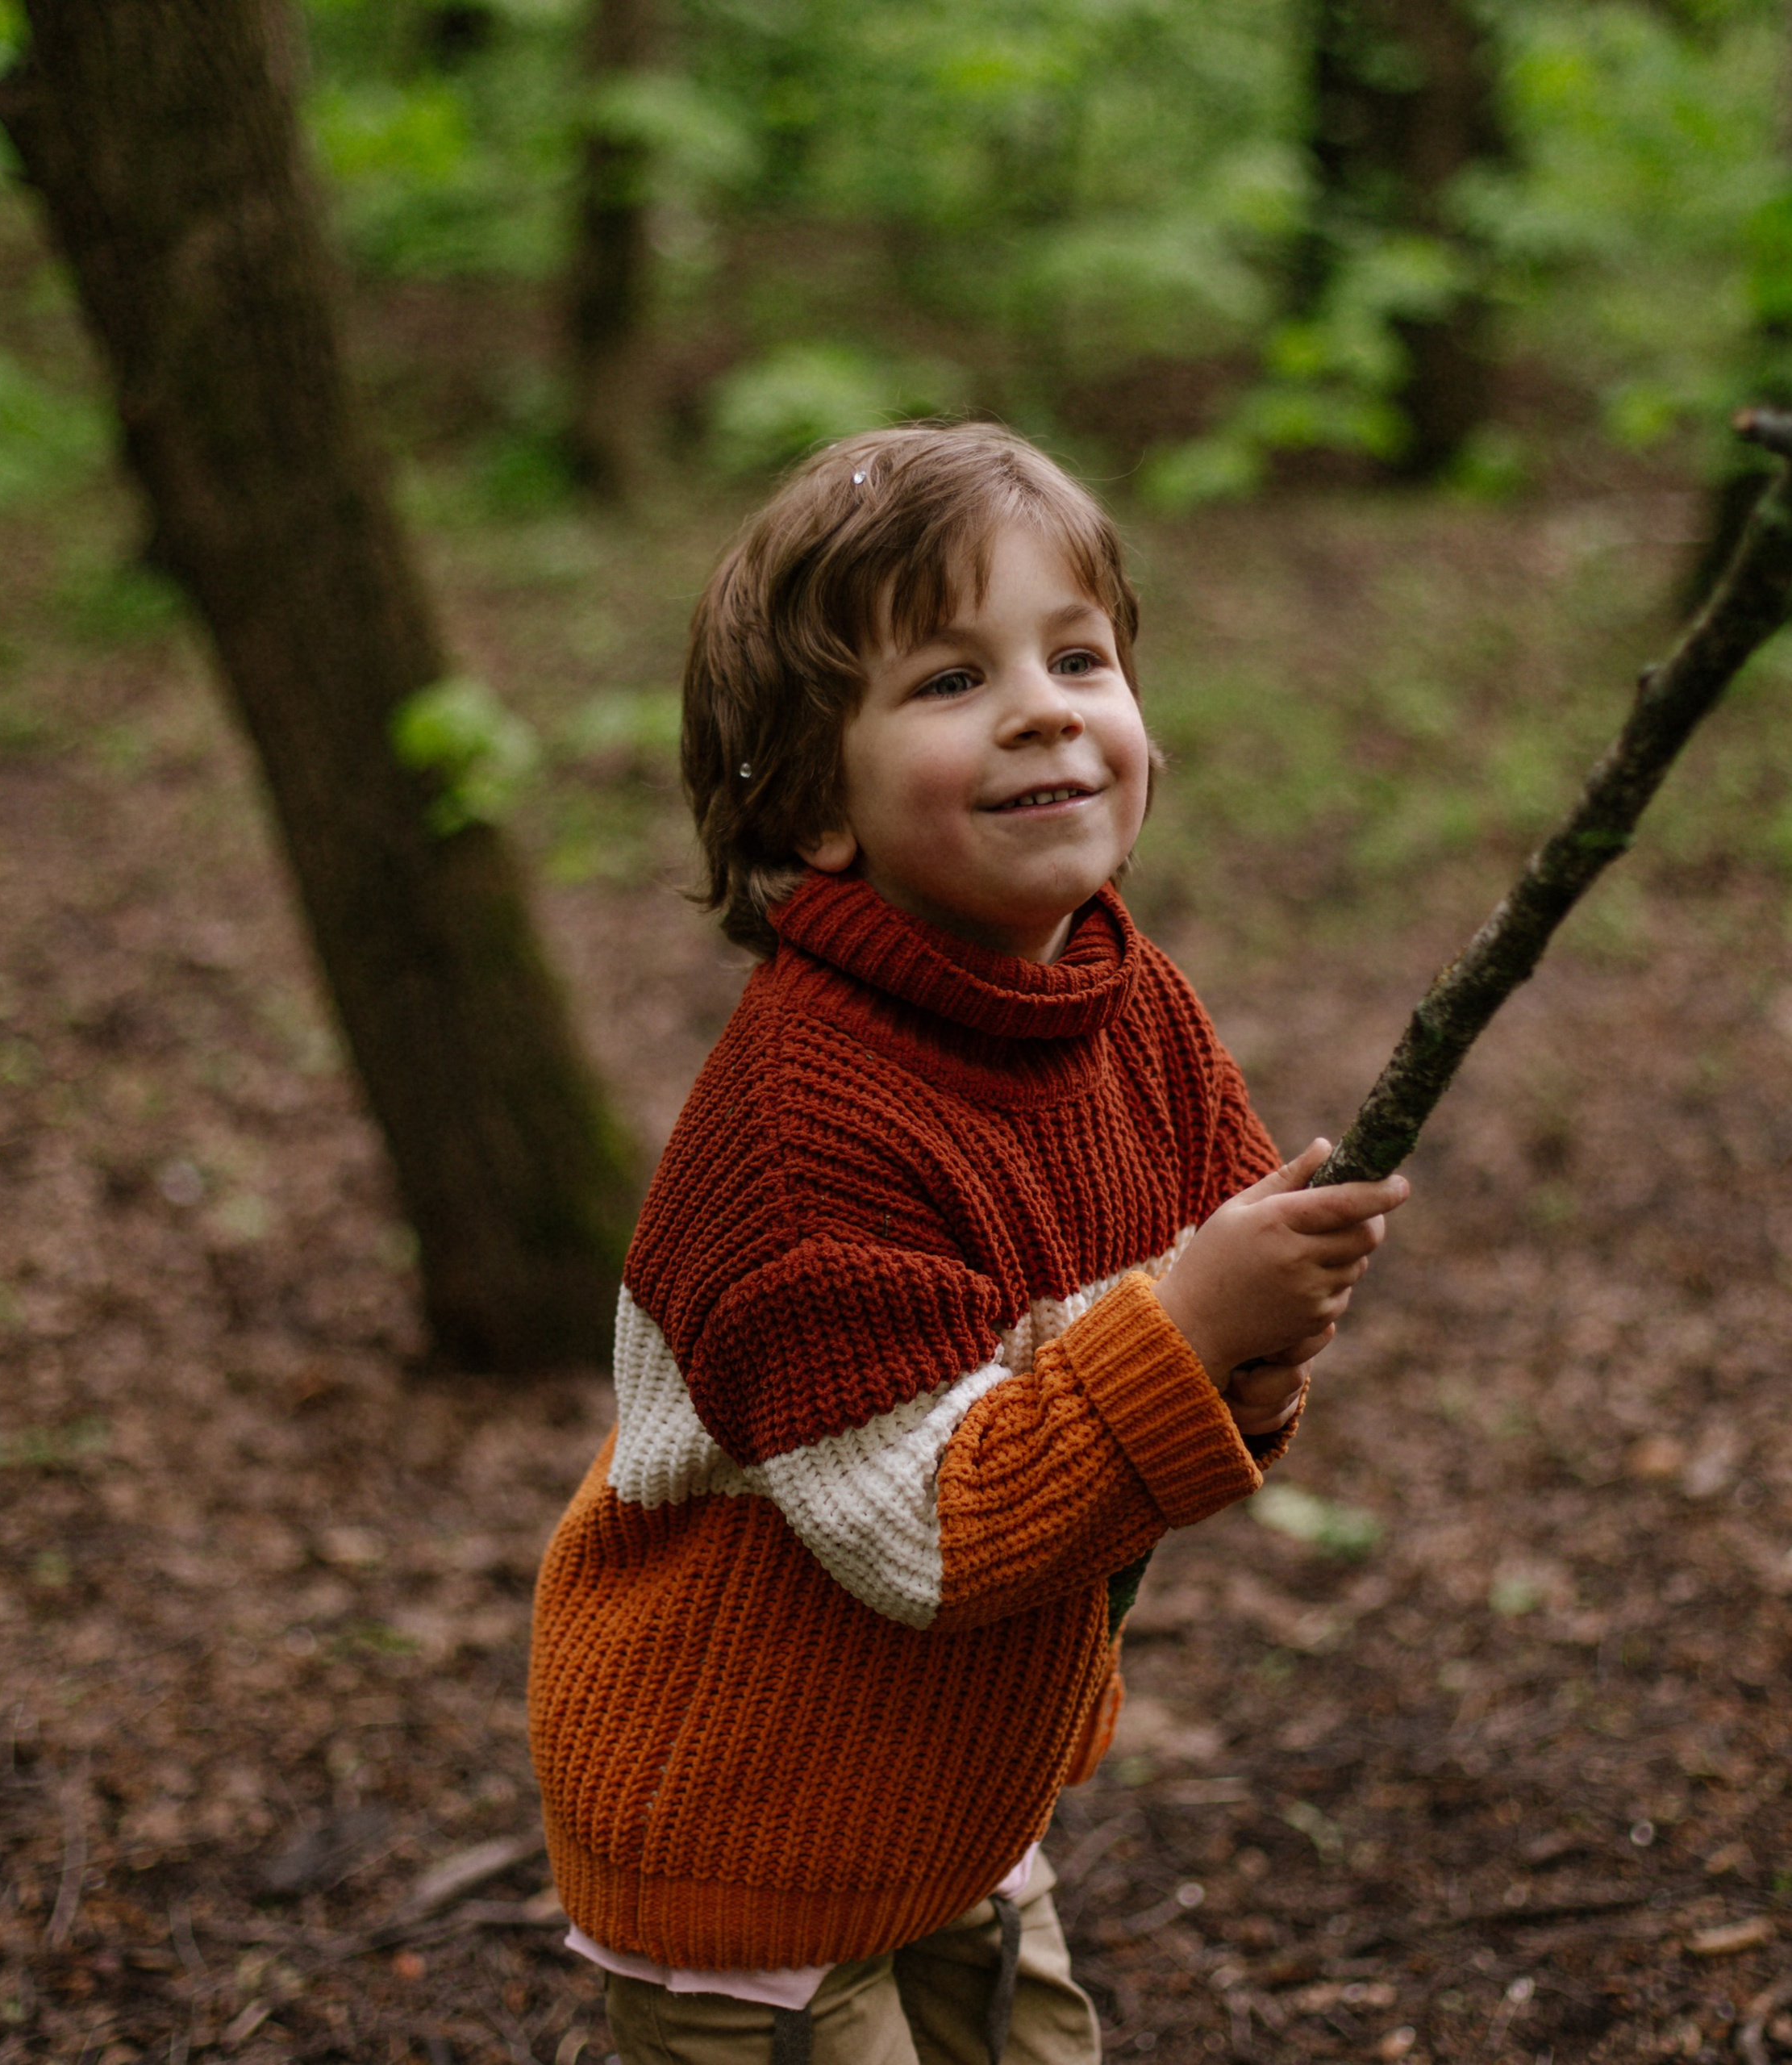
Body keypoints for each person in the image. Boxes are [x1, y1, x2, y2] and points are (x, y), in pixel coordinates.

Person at [527, 422, 1408, 2065]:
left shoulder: (1125, 999)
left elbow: (1188, 1356)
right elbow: (926, 1530)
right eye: (947, 680)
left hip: (949, 1790)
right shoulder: (798, 1126)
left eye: (1076, 654)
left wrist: (1254, 1335)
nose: (1039, 706)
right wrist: (1192, 1313)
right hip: (744, 1828)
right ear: (813, 803)